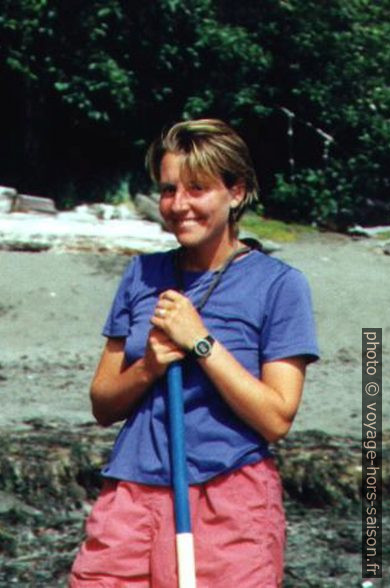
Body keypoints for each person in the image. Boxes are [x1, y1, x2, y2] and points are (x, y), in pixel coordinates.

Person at [69, 119, 319, 587]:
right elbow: (103, 404)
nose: (178, 205)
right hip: (132, 496)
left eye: (198, 188)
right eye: (168, 190)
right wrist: (150, 365)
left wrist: (200, 343)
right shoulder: (142, 275)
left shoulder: (279, 285)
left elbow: (276, 418)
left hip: (229, 498)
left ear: (237, 191)